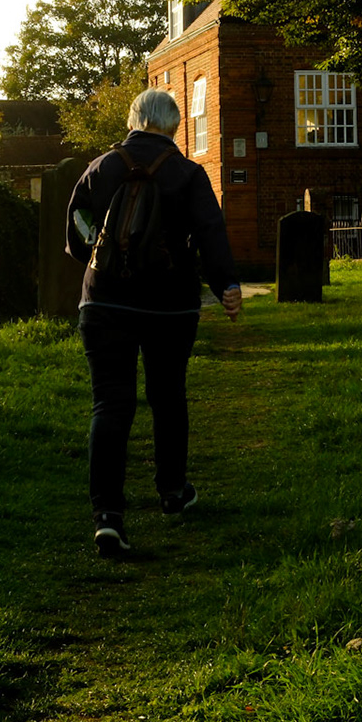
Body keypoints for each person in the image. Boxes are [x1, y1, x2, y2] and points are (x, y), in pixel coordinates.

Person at [66, 87, 243, 558]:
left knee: (110, 404)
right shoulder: (189, 174)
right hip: (170, 305)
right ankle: (172, 490)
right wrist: (226, 285)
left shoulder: (100, 167)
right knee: (167, 396)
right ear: (175, 127)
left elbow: (77, 226)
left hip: (104, 304)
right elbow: (211, 231)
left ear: (133, 121)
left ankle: (108, 517)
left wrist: (98, 262)